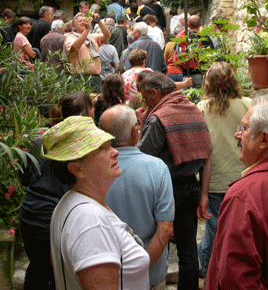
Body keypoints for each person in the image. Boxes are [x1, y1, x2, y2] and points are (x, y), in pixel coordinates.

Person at [41, 115, 150, 290]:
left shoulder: (71, 203)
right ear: (77, 169)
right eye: (102, 148)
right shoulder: (90, 221)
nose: (115, 152)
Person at [205, 95, 268, 290]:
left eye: (244, 128)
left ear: (264, 139)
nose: (237, 135)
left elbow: (236, 281)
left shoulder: (245, 196)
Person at [137, 72, 212, 290]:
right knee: (188, 250)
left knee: (157, 247)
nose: (145, 103)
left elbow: (142, 156)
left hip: (163, 191)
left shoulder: (159, 118)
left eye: (145, 97)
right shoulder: (194, 110)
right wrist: (204, 194)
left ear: (154, 92)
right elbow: (207, 154)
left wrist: (141, 124)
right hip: (190, 187)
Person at [18, 91, 95, 290]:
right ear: (85, 115)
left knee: (37, 269)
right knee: (58, 274)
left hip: (30, 214)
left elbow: (24, 177)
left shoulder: (40, 141)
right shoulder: (80, 149)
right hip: (54, 219)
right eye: (92, 107)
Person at [101, 105, 174, 289]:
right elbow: (165, 229)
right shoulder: (157, 168)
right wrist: (140, 267)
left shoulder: (93, 171)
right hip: (151, 274)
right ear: (135, 132)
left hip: (107, 273)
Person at [197, 62, 252, 284]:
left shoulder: (201, 107)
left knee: (214, 233)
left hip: (215, 179)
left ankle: (212, 279)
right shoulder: (248, 104)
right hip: (244, 176)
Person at [64, 12, 111, 93]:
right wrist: (87, 30)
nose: (83, 22)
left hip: (94, 78)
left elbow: (107, 36)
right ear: (74, 26)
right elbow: (74, 47)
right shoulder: (70, 37)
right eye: (80, 21)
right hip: (78, 77)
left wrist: (99, 21)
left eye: (84, 20)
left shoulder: (92, 37)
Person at [175, 14, 214, 88]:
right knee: (201, 98)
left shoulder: (182, 38)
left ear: (188, 25)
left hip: (186, 77)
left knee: (187, 98)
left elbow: (175, 60)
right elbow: (211, 59)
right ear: (200, 24)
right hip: (201, 75)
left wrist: (184, 71)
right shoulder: (205, 38)